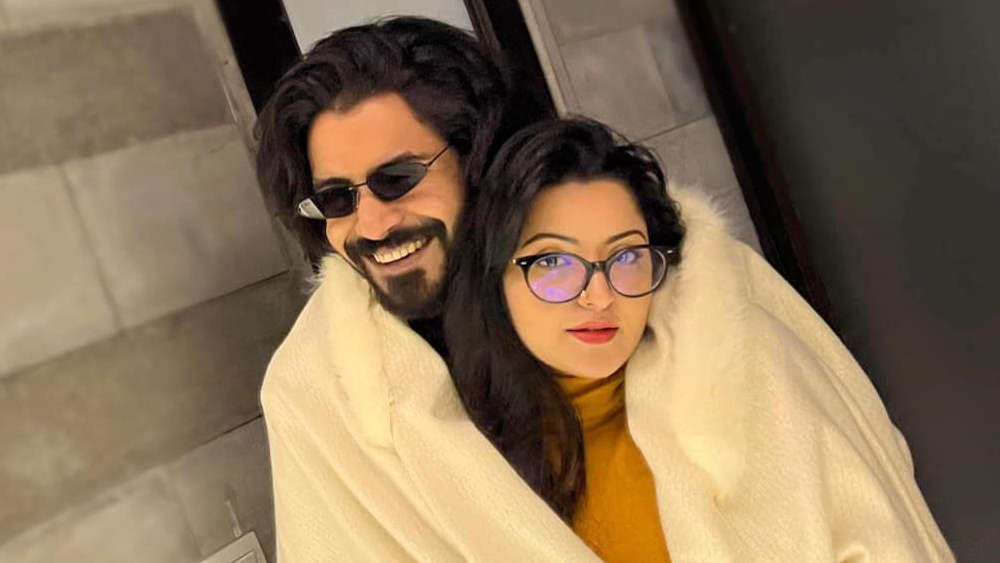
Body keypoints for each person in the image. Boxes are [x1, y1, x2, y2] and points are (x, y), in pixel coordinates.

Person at [442, 118, 955, 563]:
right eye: (554, 262)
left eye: (626, 256)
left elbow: (884, 538)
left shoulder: (737, 371)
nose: (599, 296)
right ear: (494, 277)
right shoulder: (471, 464)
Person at [253, 16, 552, 563]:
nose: (372, 225)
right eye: (338, 199)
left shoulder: (616, 287)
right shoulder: (310, 391)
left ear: (477, 161)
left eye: (397, 180)